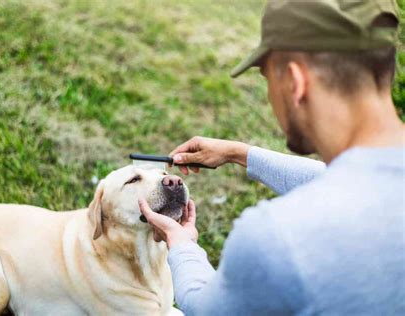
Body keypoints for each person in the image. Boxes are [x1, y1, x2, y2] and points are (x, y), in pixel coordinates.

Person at [138, 0, 404, 315]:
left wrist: (182, 245)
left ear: (294, 82)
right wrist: (238, 154)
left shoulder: (279, 238)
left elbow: (208, 309)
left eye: (267, 78)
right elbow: (352, 183)